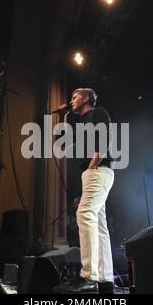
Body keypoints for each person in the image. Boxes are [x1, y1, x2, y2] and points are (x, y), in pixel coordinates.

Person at [53, 88, 115, 294]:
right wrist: (62, 117)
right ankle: (105, 281)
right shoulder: (79, 123)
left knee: (85, 214)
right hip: (91, 173)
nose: (71, 101)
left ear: (87, 98)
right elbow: (61, 143)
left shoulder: (99, 112)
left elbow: (105, 137)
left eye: (75, 97)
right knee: (99, 225)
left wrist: (92, 165)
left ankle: (89, 276)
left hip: (98, 169)